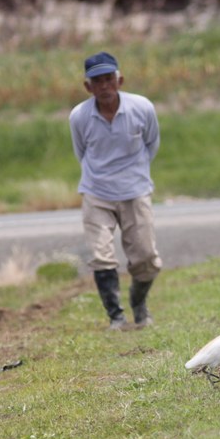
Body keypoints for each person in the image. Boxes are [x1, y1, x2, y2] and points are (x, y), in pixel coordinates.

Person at [69, 51, 162, 330]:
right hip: (97, 192)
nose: (105, 86)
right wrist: (102, 177)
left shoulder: (142, 108)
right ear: (88, 87)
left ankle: (139, 303)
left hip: (135, 190)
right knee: (101, 256)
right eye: (97, 81)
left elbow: (152, 144)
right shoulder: (79, 116)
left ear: (120, 80)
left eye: (109, 79)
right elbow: (81, 152)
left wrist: (134, 174)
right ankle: (116, 317)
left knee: (146, 257)